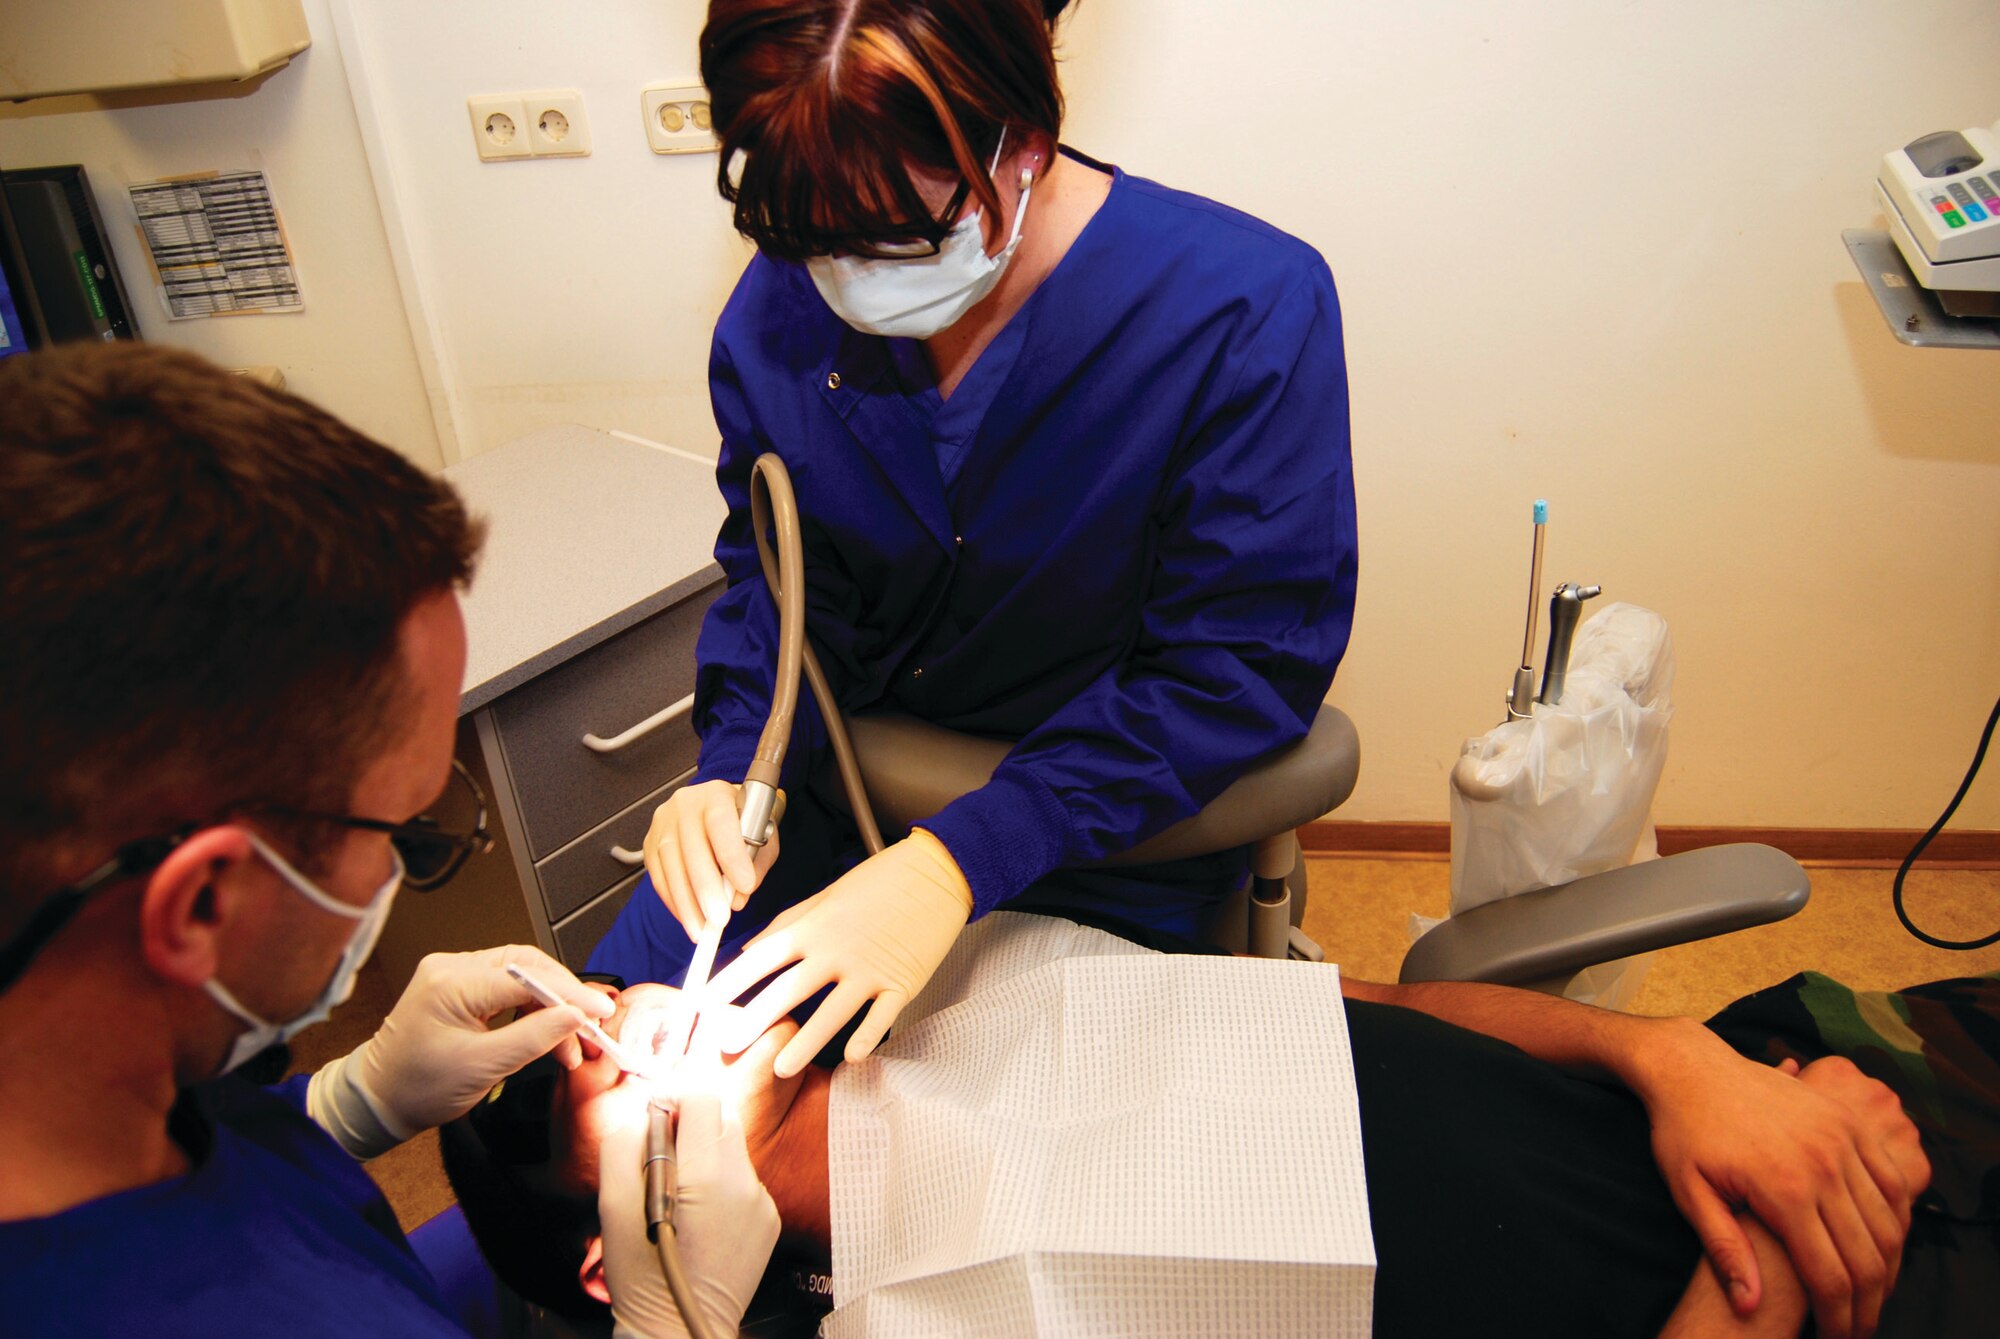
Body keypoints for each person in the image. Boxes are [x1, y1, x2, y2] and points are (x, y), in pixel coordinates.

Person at [594, 0, 1359, 1083]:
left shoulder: (1239, 311)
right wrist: (730, 774)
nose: (846, 278)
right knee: (587, 1088)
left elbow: (1233, 669)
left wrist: (964, 857)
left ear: (1024, 146)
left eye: (894, 233)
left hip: (1101, 831)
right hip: (818, 809)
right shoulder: (775, 318)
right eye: (812, 240)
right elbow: (776, 587)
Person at [0, 343, 772, 1339]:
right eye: (408, 830)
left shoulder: (138, 1093)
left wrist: (346, 1106)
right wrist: (673, 1325)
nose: (405, 866)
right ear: (200, 902)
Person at [444, 941, 1984, 1338]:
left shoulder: (970, 980)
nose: (628, 1016)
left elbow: (1385, 995)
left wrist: (1671, 1056)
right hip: (1808, 1285)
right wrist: (1787, 1250)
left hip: (1751, 1085)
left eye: (594, 1001)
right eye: (594, 1071)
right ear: (611, 1263)